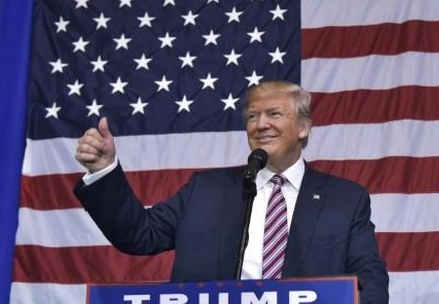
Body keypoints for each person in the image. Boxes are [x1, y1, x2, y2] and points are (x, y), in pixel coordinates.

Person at [74, 81, 389, 303]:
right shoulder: (204, 191)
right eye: (253, 116)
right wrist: (103, 168)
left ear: (303, 127)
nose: (260, 124)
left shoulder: (346, 200)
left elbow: (369, 283)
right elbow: (138, 235)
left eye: (274, 114)